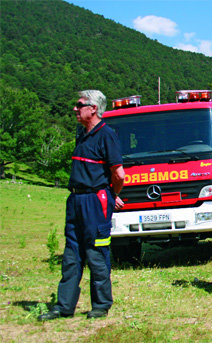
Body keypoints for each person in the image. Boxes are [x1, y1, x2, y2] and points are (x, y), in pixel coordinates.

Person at [39, 90, 125, 321]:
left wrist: (110, 194)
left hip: (95, 202)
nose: (75, 109)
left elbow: (119, 174)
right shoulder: (82, 134)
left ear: (93, 108)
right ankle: (64, 306)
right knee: (71, 254)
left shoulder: (107, 135)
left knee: (96, 253)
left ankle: (100, 305)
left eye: (79, 105)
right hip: (75, 200)